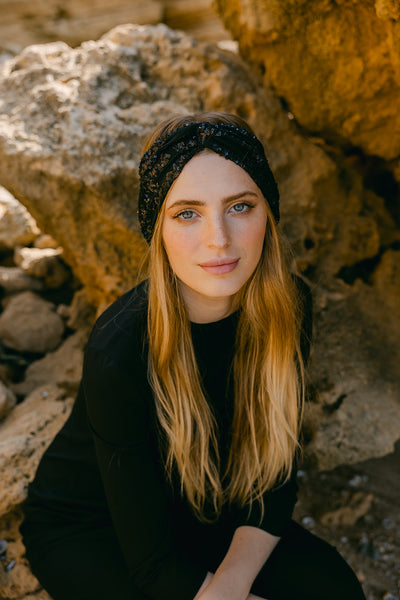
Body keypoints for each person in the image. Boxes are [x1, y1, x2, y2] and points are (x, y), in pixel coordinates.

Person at [20, 112, 366, 600]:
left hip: (208, 507)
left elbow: (274, 481)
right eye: (187, 213)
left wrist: (231, 583)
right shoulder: (119, 348)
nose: (219, 239)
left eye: (240, 207)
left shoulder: (290, 310)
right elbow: (152, 565)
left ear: (268, 212)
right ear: (157, 228)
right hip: (95, 531)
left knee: (335, 591)